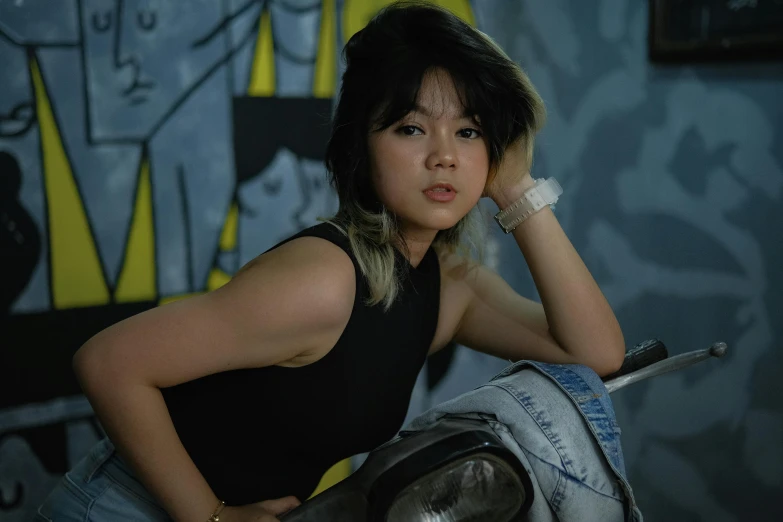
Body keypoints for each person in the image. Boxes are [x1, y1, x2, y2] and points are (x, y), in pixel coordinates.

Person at [35, 2, 626, 521]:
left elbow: (594, 355)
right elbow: (109, 361)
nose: (444, 156)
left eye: (469, 132)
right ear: (361, 146)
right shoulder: (323, 279)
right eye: (411, 127)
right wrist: (211, 518)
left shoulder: (447, 284)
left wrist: (516, 186)